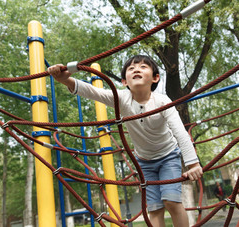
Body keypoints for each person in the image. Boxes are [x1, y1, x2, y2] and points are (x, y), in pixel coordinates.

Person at [48, 55, 203, 227]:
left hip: (168, 156)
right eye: (131, 68)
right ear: (124, 81)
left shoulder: (163, 101)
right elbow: (94, 92)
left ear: (155, 77)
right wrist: (66, 80)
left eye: (143, 67)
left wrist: (193, 164)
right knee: (154, 209)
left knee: (172, 202)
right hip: (144, 163)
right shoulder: (121, 98)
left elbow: (180, 132)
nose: (136, 69)